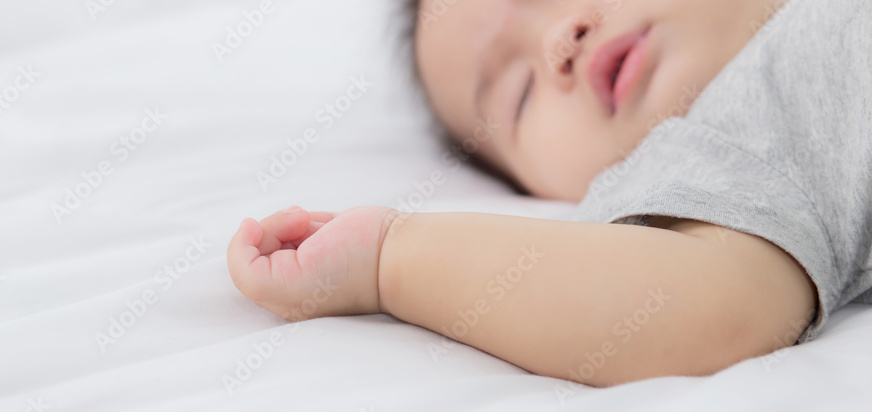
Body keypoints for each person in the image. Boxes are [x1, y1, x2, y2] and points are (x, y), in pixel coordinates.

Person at [227, 0, 872, 386]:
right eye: (518, 94)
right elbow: (719, 304)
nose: (559, 39)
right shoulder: (717, 144)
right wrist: (390, 257)